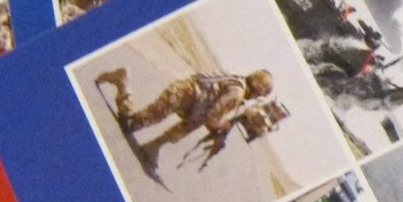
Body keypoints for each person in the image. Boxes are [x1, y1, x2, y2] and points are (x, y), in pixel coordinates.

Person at [96, 66, 279, 174]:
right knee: (130, 124)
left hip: (187, 97)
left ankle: (154, 146)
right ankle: (122, 83)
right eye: (261, 94)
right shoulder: (237, 93)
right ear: (258, 90)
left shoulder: (237, 80)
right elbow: (213, 117)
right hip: (182, 95)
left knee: (194, 122)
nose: (257, 98)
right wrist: (221, 129)